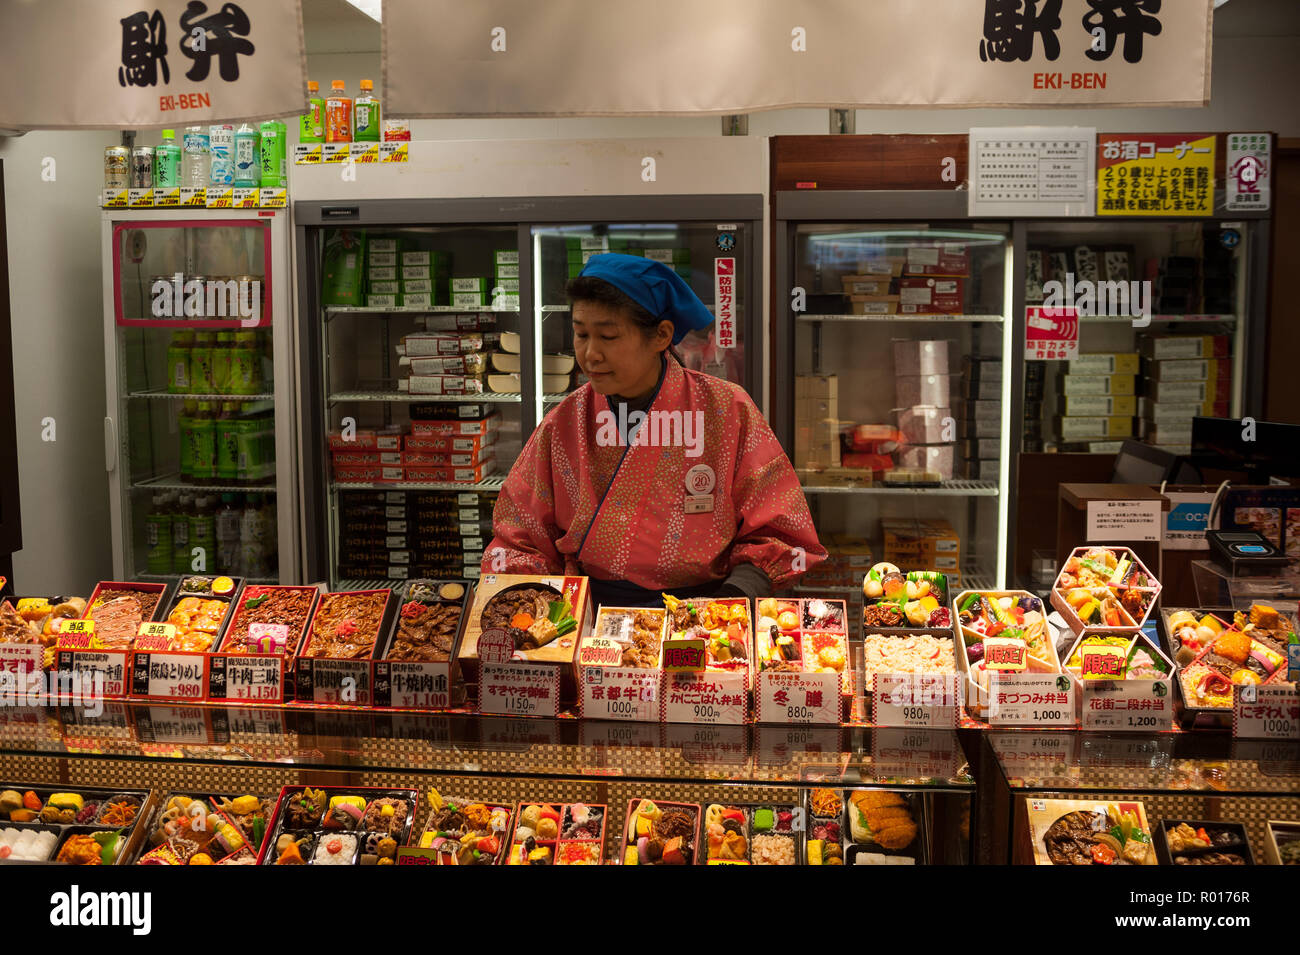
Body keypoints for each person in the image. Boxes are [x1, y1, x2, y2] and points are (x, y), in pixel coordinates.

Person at [484, 252, 825, 608]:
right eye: (580, 334)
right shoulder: (566, 421)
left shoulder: (725, 409)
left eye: (608, 336)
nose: (590, 354)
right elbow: (518, 534)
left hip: (707, 612)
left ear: (661, 335)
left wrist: (731, 601)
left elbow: (779, 528)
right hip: (590, 617)